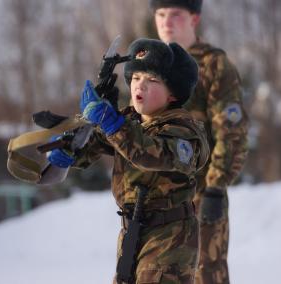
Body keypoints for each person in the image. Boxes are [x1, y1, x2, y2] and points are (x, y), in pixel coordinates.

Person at [47, 38, 210, 283]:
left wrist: (113, 124)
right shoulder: (131, 120)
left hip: (170, 236)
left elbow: (151, 153)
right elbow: (99, 142)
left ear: (173, 95)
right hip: (133, 231)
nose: (139, 86)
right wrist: (70, 149)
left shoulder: (185, 130)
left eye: (152, 80)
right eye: (135, 78)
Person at [149, 1, 249, 283]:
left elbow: (232, 132)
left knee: (206, 275)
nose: (167, 21)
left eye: (175, 14)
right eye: (160, 14)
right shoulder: (148, 67)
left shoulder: (214, 64)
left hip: (201, 198)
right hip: (157, 201)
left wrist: (216, 187)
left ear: (194, 18)